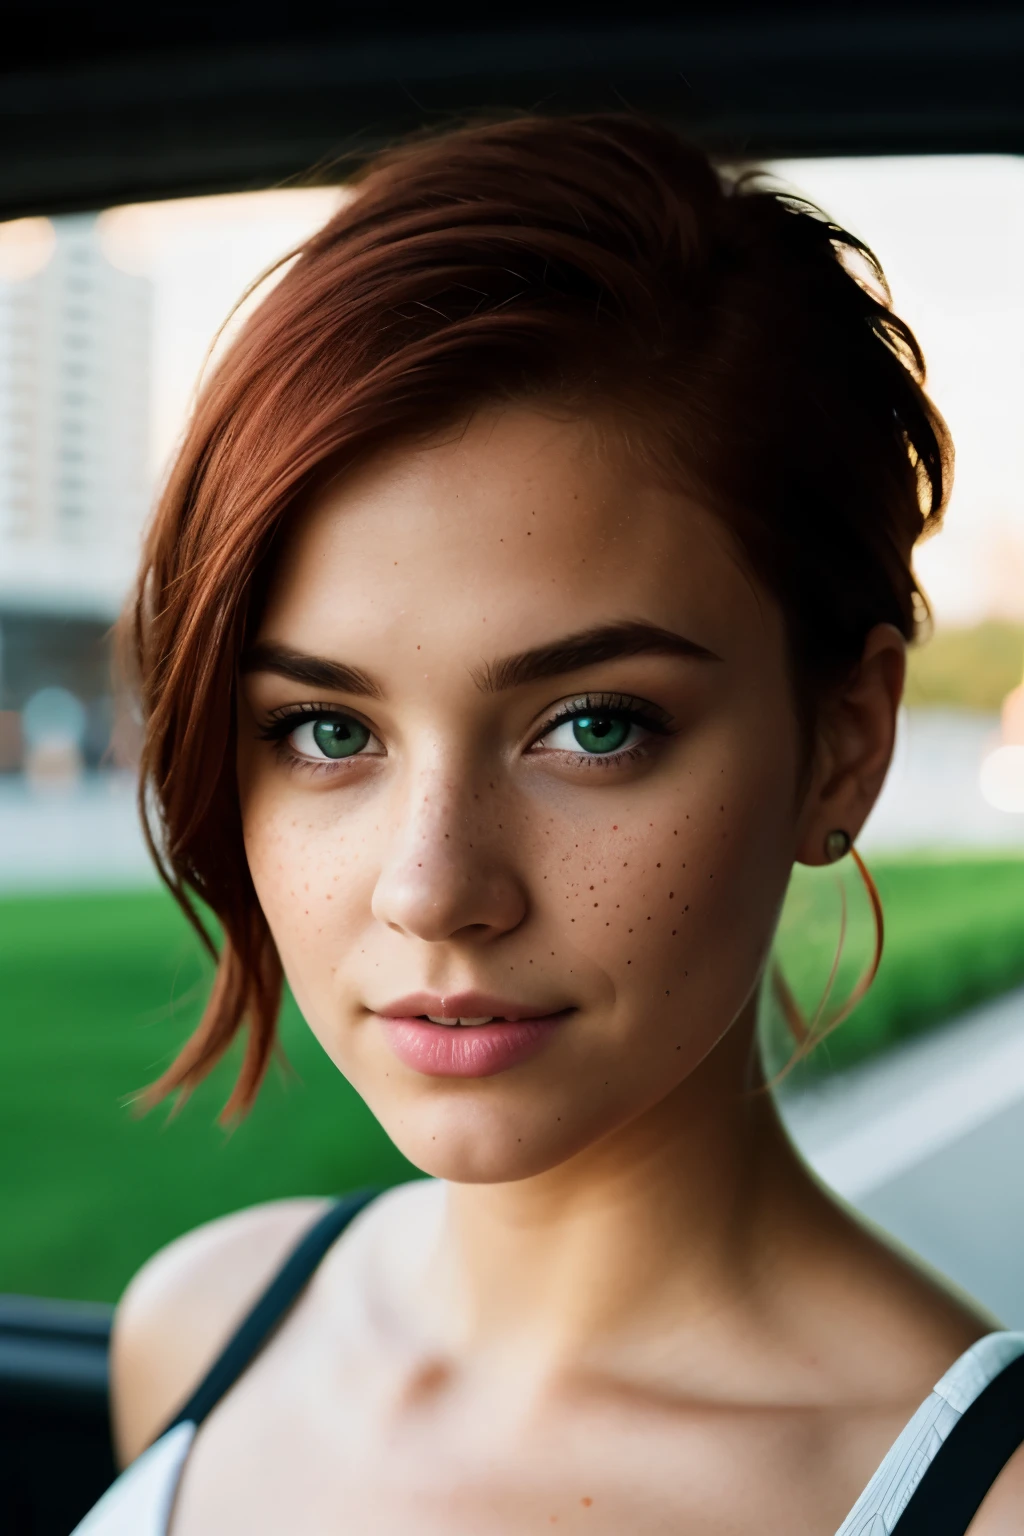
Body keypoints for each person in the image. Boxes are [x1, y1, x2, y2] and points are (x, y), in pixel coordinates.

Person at [75, 115, 1023, 1535]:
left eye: (594, 725)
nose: (434, 890)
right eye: (328, 731)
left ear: (846, 741)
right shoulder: (197, 1330)